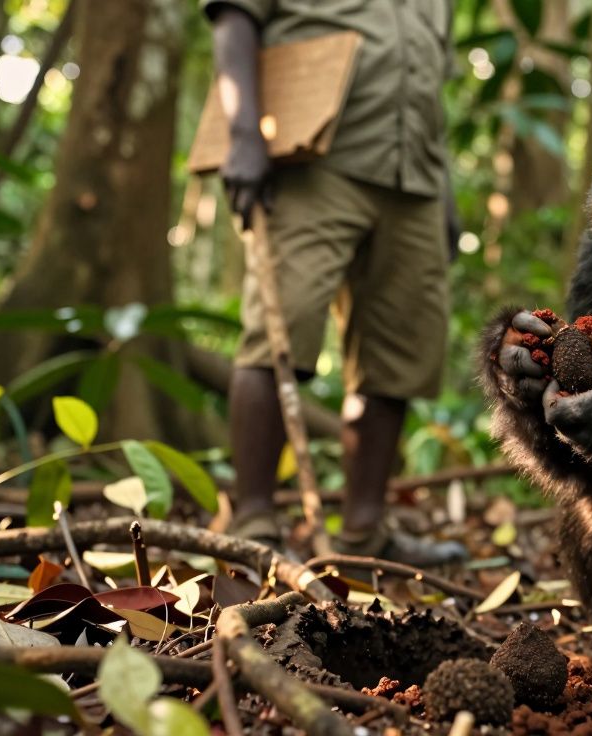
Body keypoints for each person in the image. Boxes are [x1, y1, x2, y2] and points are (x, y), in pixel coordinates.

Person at [204, 0, 466, 565]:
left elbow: (426, 90)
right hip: (311, 161)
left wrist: (443, 195)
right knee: (281, 333)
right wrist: (245, 133)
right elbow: (233, 20)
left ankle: (365, 532)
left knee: (398, 356)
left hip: (413, 180)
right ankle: (253, 520)